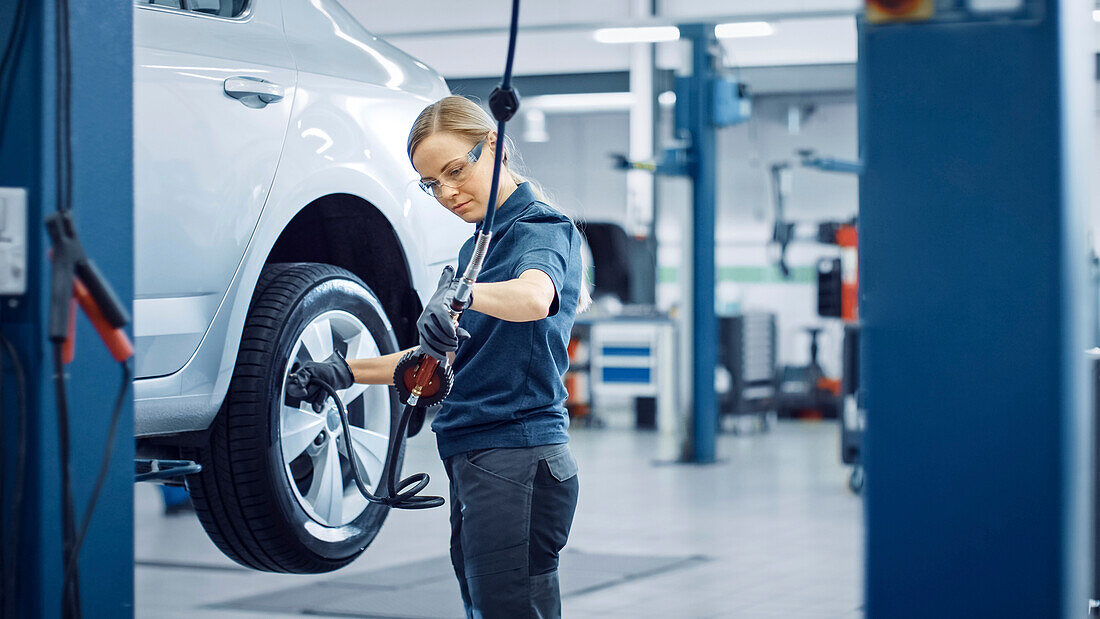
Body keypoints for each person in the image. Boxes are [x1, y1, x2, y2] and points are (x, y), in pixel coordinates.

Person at [289, 95, 590, 618]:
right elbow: (434, 360)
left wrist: (462, 296)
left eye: (455, 171)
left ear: (492, 145)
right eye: (431, 185)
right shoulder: (477, 246)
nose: (447, 193)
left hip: (515, 456)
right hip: (477, 456)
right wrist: (343, 371)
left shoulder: (540, 229)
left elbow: (533, 297)